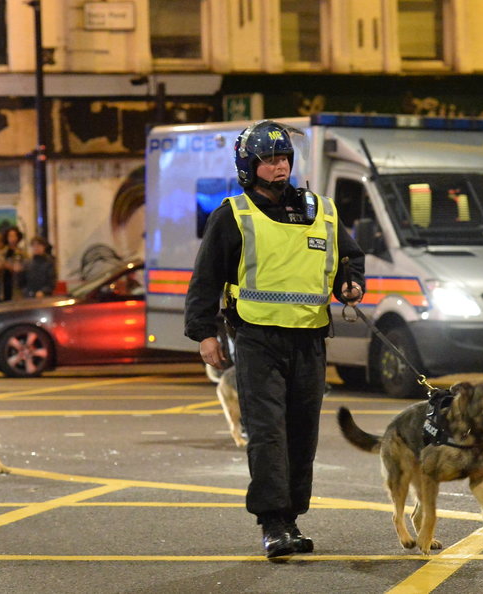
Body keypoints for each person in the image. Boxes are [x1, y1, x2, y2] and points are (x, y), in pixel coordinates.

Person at [184, 120, 366, 559]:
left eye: (283, 158)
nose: (279, 166)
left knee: (302, 435)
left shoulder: (322, 211)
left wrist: (351, 283)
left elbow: (349, 258)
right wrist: (204, 333)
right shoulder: (233, 215)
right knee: (267, 434)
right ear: (249, 167)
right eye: (268, 160)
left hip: (309, 339)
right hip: (257, 339)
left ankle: (292, 517)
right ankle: (272, 523)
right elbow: (205, 279)